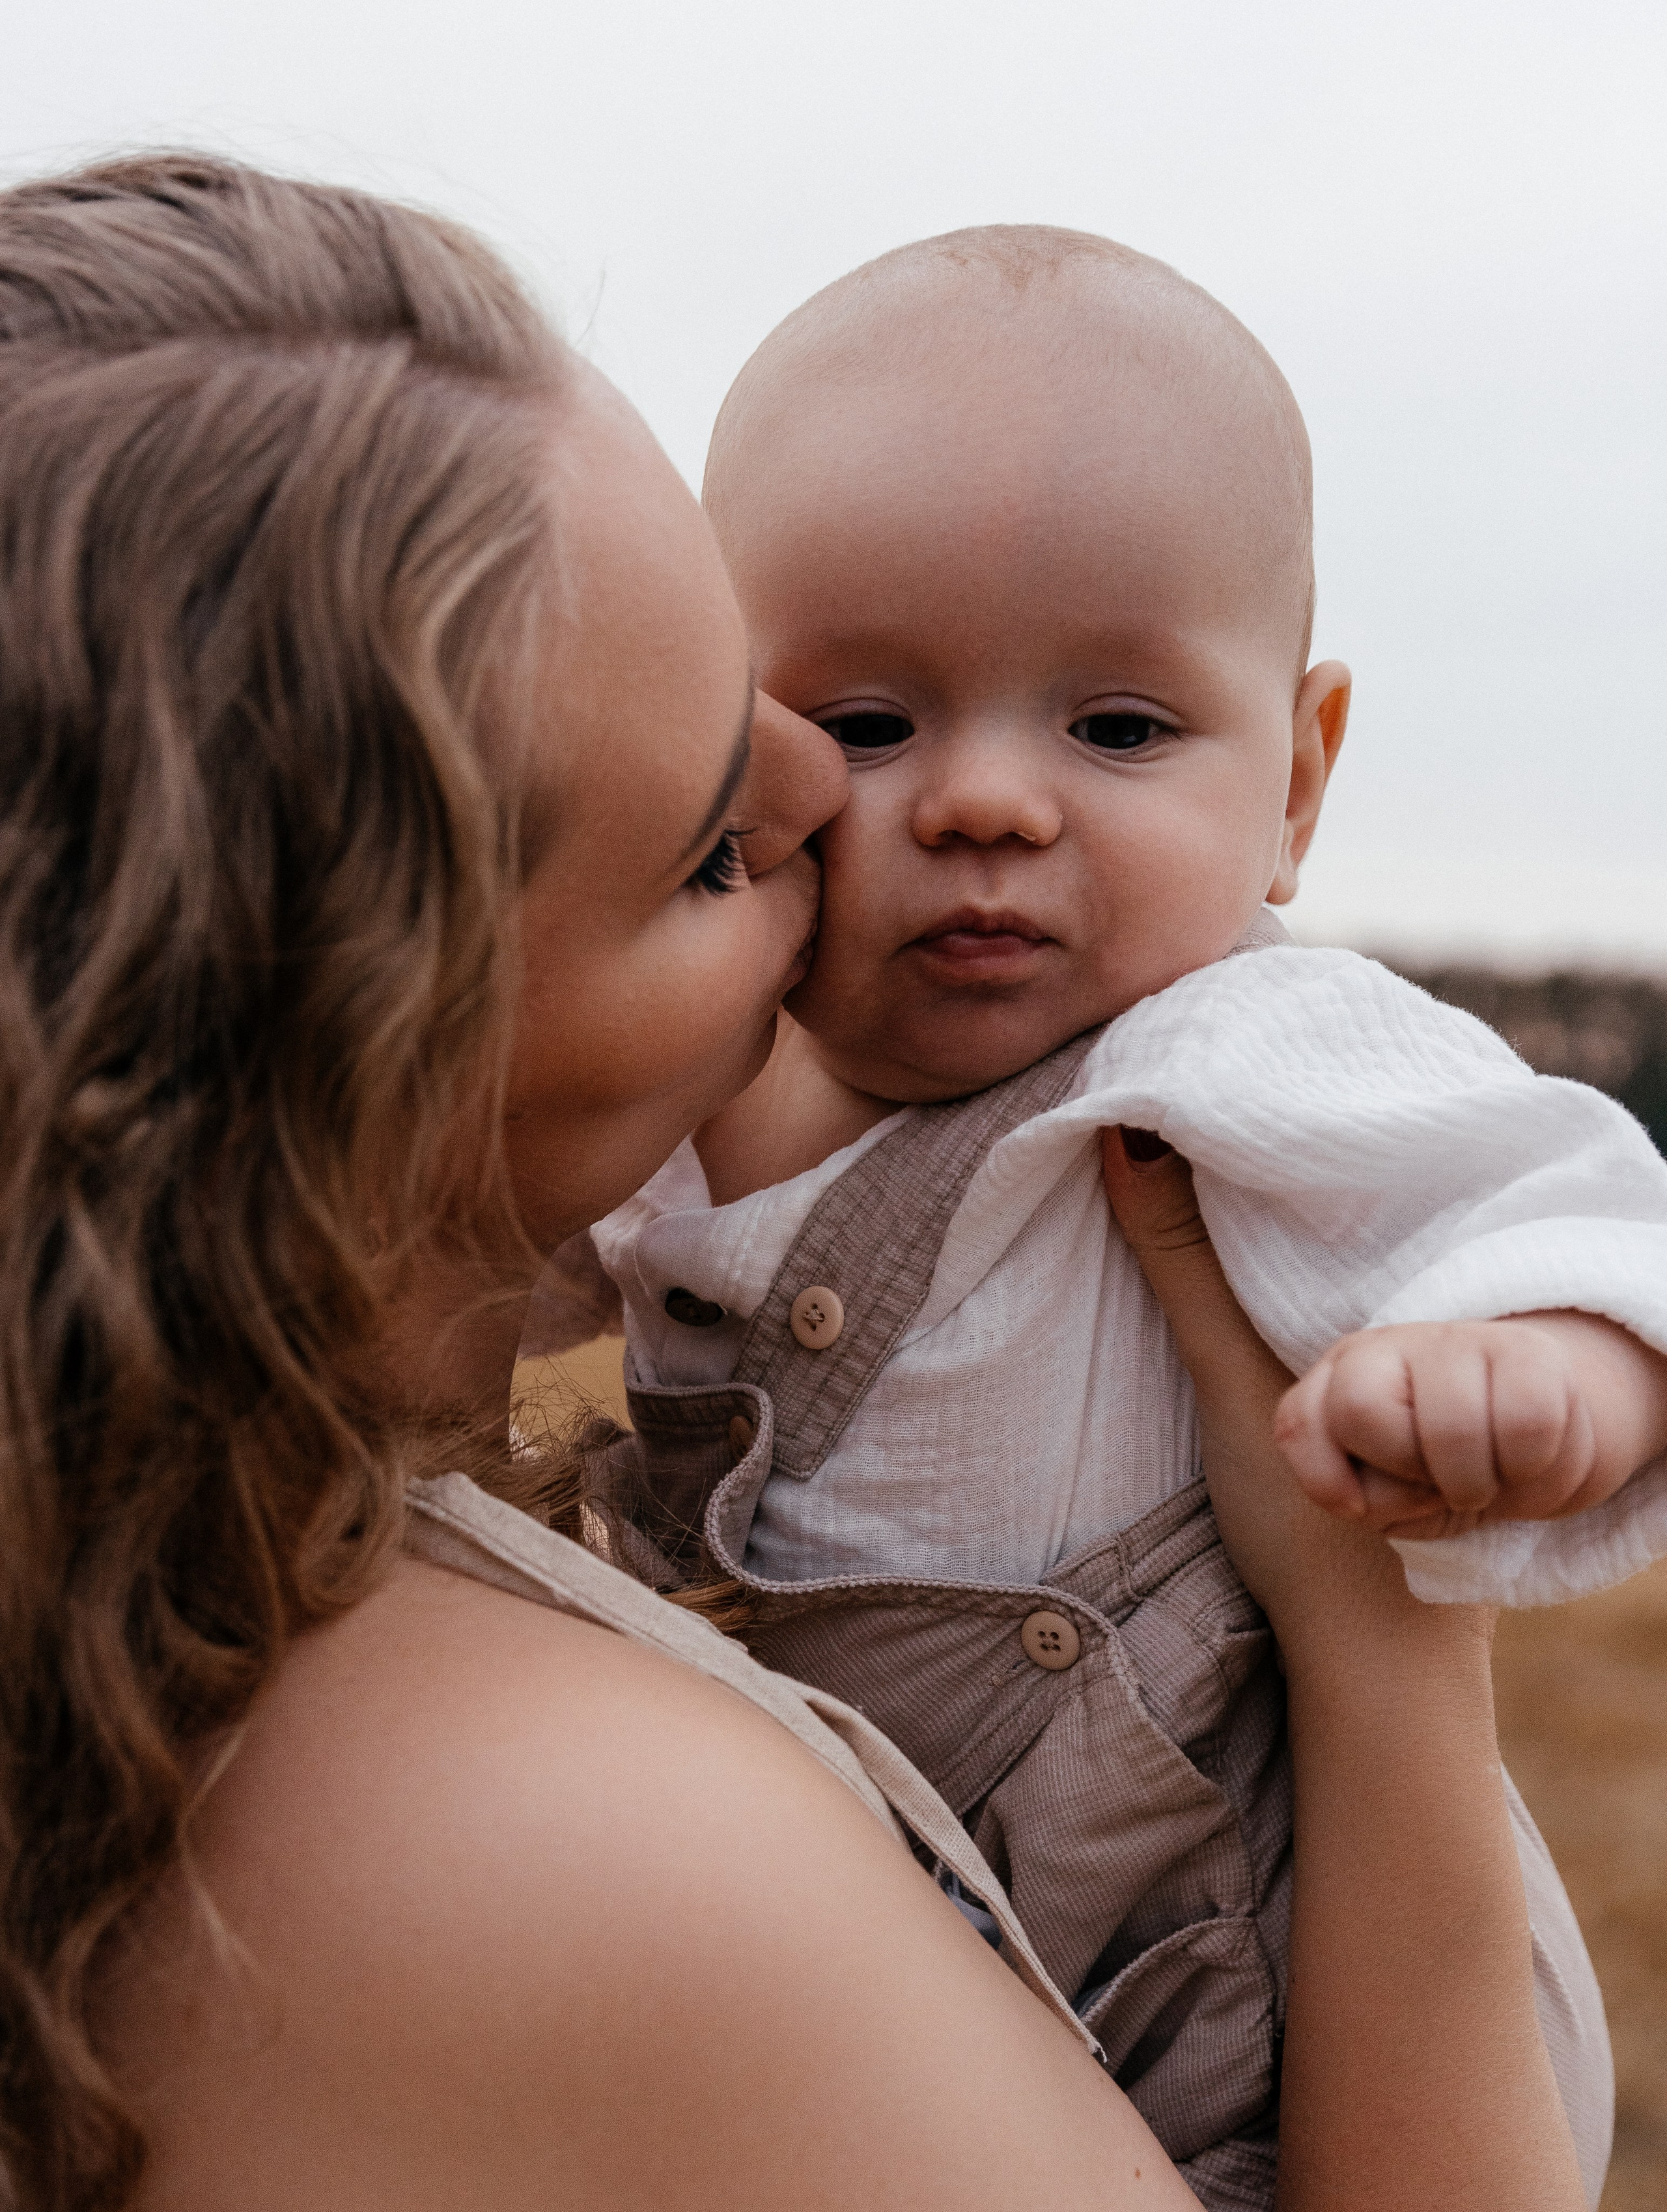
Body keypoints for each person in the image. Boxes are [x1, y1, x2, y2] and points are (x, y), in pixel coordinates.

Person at [0, 156, 1584, 2212]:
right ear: (368, 1058)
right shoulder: (607, 1860)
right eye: (712, 851)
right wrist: (1381, 1659)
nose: (863, 803)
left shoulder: (134, 1645)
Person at [531, 226, 1664, 2202]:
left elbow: (1565, 1205)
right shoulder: (708, 1084)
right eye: (871, 727)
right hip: (915, 1970)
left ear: (1299, 782)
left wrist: (1539, 1369)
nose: (985, 803)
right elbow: (482, 1239)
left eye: (1118, 730)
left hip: (1270, 1964)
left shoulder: (1247, 1047)